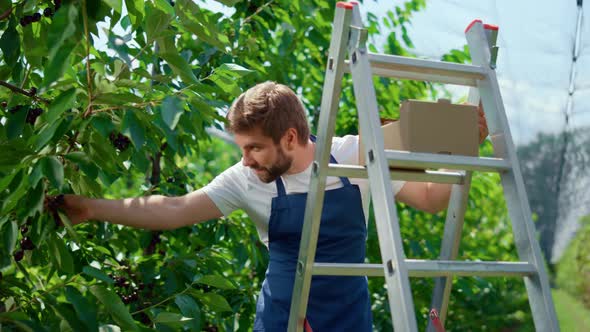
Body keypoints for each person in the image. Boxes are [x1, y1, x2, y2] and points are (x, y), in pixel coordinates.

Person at [61, 81, 488, 331]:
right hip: (283, 321)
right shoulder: (247, 180)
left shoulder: (354, 156)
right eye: (242, 148)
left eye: (254, 148)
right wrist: (94, 207)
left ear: (289, 137)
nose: (245, 159)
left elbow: (432, 200)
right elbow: (173, 210)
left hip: (348, 320)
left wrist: (464, 146)